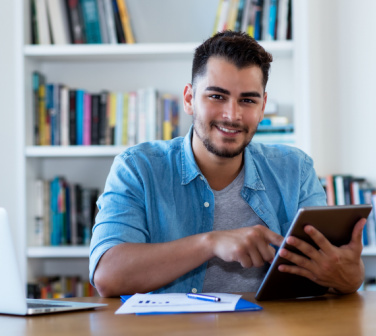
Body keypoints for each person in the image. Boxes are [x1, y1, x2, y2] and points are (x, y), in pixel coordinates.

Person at [89, 31, 366, 297]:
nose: (232, 115)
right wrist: (211, 243)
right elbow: (107, 275)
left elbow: (345, 276)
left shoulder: (296, 169)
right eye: (217, 96)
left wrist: (349, 276)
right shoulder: (137, 168)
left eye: (247, 100)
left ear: (262, 107)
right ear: (189, 99)